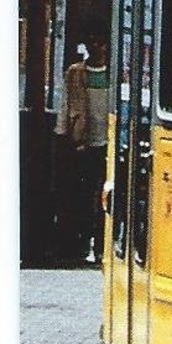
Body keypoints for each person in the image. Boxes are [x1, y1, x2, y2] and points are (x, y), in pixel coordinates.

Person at [56, 34, 110, 263]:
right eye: (91, 43)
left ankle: (101, 244)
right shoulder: (76, 73)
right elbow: (65, 104)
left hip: (109, 141)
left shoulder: (115, 73)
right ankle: (83, 243)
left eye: (99, 43)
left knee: (105, 196)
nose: (96, 48)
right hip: (83, 142)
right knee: (85, 195)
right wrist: (63, 132)